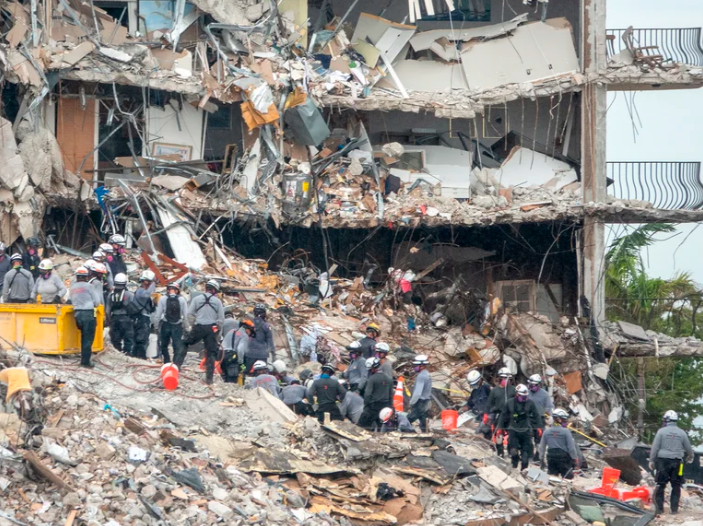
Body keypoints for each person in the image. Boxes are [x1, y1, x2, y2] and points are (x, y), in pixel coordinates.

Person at [178, 280, 225, 384]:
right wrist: (217, 332)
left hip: (199, 327)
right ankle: (209, 379)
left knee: (185, 343)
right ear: (214, 290)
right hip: (211, 329)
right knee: (211, 353)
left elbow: (189, 314)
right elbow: (221, 319)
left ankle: (177, 365)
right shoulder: (217, 302)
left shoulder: (197, 299)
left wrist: (191, 326)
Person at [649, 410, 694, 515]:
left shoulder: (661, 432)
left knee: (660, 485)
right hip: (677, 463)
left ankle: (659, 509)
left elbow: (655, 448)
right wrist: (690, 456)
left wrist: (651, 460)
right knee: (676, 485)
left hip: (662, 462)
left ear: (667, 420)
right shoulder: (682, 433)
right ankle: (674, 510)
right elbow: (688, 448)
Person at [497, 384, 543, 471]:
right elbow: (503, 416)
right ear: (517, 395)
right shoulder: (509, 403)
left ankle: (523, 471)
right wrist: (500, 428)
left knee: (525, 457)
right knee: (513, 452)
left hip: (525, 431)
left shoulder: (530, 403)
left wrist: (539, 427)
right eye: (523, 397)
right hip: (513, 430)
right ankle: (514, 466)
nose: (524, 399)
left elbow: (537, 415)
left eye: (526, 397)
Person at [69, 266, 101, 368]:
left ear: (77, 277)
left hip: (77, 314)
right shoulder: (89, 286)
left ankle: (83, 359)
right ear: (86, 277)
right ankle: (85, 362)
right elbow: (97, 302)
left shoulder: (72, 287)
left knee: (83, 337)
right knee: (88, 338)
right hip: (88, 314)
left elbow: (70, 300)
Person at [153, 282, 188, 364]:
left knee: (164, 345)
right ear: (177, 290)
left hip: (166, 324)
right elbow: (185, 316)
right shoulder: (182, 299)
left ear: (168, 290)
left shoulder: (162, 298)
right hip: (177, 325)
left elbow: (158, 314)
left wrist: (156, 326)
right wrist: (187, 328)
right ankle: (175, 364)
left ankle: (166, 361)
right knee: (177, 346)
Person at [539, 408, 579, 479]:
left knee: (553, 478)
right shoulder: (566, 432)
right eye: (564, 420)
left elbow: (542, 447)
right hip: (563, 458)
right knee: (568, 478)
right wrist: (575, 459)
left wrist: (541, 459)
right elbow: (571, 448)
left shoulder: (546, 432)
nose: (565, 422)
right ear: (559, 420)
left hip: (551, 457)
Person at [487, 367, 516, 457]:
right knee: (499, 435)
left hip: (511, 415)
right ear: (499, 379)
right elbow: (489, 404)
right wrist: (492, 411)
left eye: (508, 379)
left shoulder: (513, 390)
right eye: (504, 379)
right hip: (499, 415)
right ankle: (500, 453)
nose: (506, 381)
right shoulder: (494, 391)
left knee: (513, 434)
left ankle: (512, 452)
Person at [358, 357, 393, 431]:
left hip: (373, 407)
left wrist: (366, 405)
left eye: (370, 370)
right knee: (382, 428)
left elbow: (367, 394)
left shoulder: (372, 379)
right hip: (385, 407)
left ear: (373, 368)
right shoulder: (389, 379)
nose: (369, 372)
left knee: (362, 426)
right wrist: (390, 407)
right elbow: (391, 395)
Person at [106, 273, 134, 356]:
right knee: (128, 339)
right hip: (126, 319)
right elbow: (132, 308)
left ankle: (117, 355)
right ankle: (127, 354)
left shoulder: (110, 295)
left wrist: (110, 320)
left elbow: (107, 310)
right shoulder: (129, 294)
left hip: (114, 319)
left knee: (116, 339)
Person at [130, 270, 156, 359]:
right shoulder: (141, 291)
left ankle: (135, 356)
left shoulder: (141, 290)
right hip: (141, 318)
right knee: (141, 339)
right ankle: (140, 357)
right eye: (149, 282)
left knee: (141, 338)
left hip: (143, 317)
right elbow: (147, 294)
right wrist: (154, 283)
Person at [528, 374, 554, 460]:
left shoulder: (544, 395)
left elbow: (548, 408)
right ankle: (529, 454)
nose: (531, 386)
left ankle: (538, 456)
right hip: (528, 418)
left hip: (539, 419)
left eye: (533, 385)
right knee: (527, 436)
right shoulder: (526, 393)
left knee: (538, 438)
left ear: (538, 384)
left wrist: (550, 418)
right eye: (530, 385)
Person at [461, 370, 492, 440]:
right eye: (472, 385)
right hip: (480, 417)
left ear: (480, 380)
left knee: (482, 431)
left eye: (475, 384)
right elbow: (470, 404)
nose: (474, 386)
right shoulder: (474, 392)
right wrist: (461, 409)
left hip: (489, 417)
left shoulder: (487, 388)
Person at [407, 355, 432, 432]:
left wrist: (411, 402)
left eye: (416, 365)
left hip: (420, 403)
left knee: (407, 420)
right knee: (424, 424)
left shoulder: (421, 376)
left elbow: (417, 393)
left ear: (422, 366)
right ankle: (428, 437)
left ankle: (409, 434)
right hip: (426, 402)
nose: (414, 367)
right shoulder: (427, 374)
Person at [246, 303, 274, 372]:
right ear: (264, 313)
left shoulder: (248, 324)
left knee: (247, 372)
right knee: (262, 372)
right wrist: (273, 353)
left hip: (250, 353)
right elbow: (269, 340)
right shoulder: (266, 325)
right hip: (262, 354)